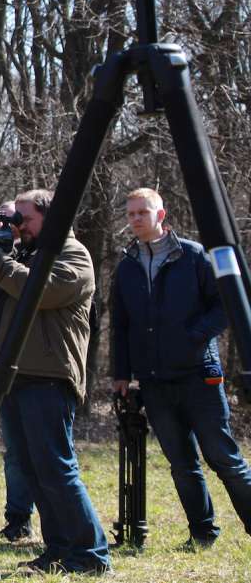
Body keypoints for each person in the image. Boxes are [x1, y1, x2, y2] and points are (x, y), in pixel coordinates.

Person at [0, 188, 110, 574]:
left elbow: (39, 291)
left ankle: (92, 554)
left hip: (48, 375)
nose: (19, 227)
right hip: (14, 373)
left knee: (57, 468)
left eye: (24, 219)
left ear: (52, 217)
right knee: (32, 469)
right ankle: (59, 550)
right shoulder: (23, 256)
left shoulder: (74, 255)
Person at [111, 187, 251, 547]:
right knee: (181, 464)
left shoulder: (193, 256)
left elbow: (226, 305)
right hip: (154, 381)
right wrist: (122, 374)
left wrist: (194, 335)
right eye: (130, 214)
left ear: (161, 215)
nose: (136, 219)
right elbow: (121, 325)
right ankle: (202, 534)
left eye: (143, 212)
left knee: (223, 457)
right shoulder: (126, 266)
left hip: (199, 375)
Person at [0, 200, 34, 542]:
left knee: (46, 457)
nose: (8, 227)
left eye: (12, 221)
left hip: (40, 367)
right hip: (6, 364)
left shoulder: (42, 257)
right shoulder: (4, 259)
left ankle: (61, 531)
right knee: (15, 454)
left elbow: (31, 288)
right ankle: (17, 519)